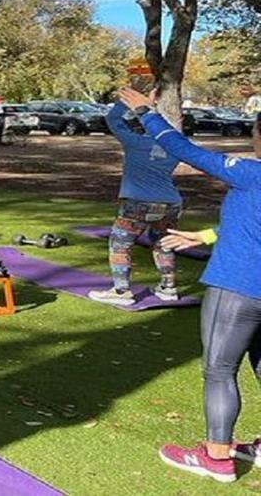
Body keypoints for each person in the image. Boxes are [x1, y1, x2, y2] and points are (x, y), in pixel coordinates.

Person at [115, 89, 261, 484]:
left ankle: (217, 459)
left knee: (220, 370)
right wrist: (208, 236)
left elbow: (183, 149)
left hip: (238, 287)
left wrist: (147, 112)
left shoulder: (251, 172)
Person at [87, 100, 183, 306]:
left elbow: (113, 118)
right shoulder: (175, 147)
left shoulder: (136, 142)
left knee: (120, 245)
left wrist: (127, 100)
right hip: (171, 203)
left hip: (138, 203)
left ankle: (121, 291)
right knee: (163, 244)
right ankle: (168, 288)